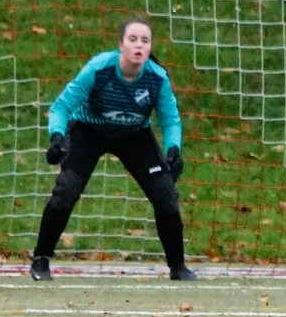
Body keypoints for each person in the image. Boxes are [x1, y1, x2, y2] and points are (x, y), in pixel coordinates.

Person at [29, 17, 196, 282]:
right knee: (67, 189)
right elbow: (62, 106)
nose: (139, 46)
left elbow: (170, 120)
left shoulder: (157, 78)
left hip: (134, 134)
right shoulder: (98, 69)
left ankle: (178, 266)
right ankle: (41, 259)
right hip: (89, 130)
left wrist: (173, 149)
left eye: (145, 40)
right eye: (132, 39)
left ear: (150, 48)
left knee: (165, 192)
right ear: (121, 45)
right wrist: (57, 137)